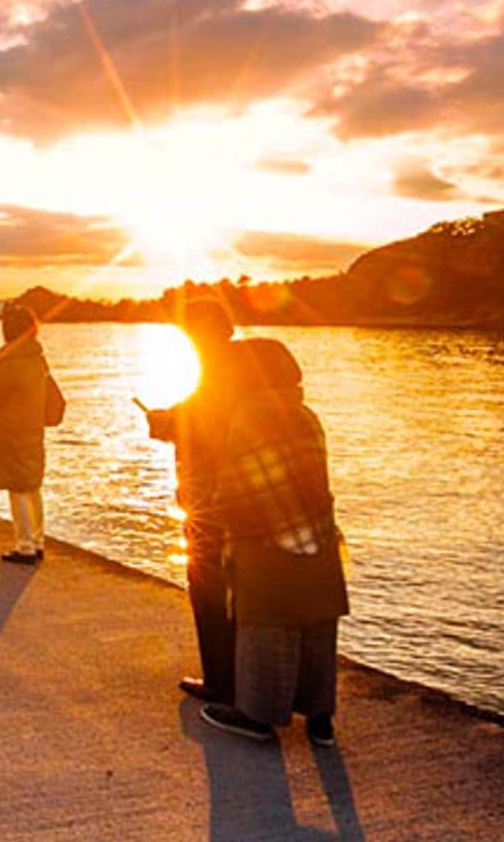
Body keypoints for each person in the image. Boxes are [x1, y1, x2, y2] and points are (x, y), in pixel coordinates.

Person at [194, 338, 348, 746]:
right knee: (316, 631)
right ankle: (320, 722)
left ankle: (257, 717)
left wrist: (214, 515)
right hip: (317, 538)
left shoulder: (248, 418)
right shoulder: (306, 416)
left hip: (267, 546)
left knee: (264, 632)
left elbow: (238, 491)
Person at [144, 297, 246, 704]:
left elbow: (201, 425)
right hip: (243, 491)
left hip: (209, 495)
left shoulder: (214, 369)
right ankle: (245, 672)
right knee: (238, 585)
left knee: (206, 585)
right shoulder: (239, 365)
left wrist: (164, 423)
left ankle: (221, 680)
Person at [0, 304, 65, 565]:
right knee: (32, 486)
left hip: (11, 431)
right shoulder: (38, 359)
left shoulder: (11, 361)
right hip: (33, 429)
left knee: (16, 489)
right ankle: (38, 541)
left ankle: (24, 544)